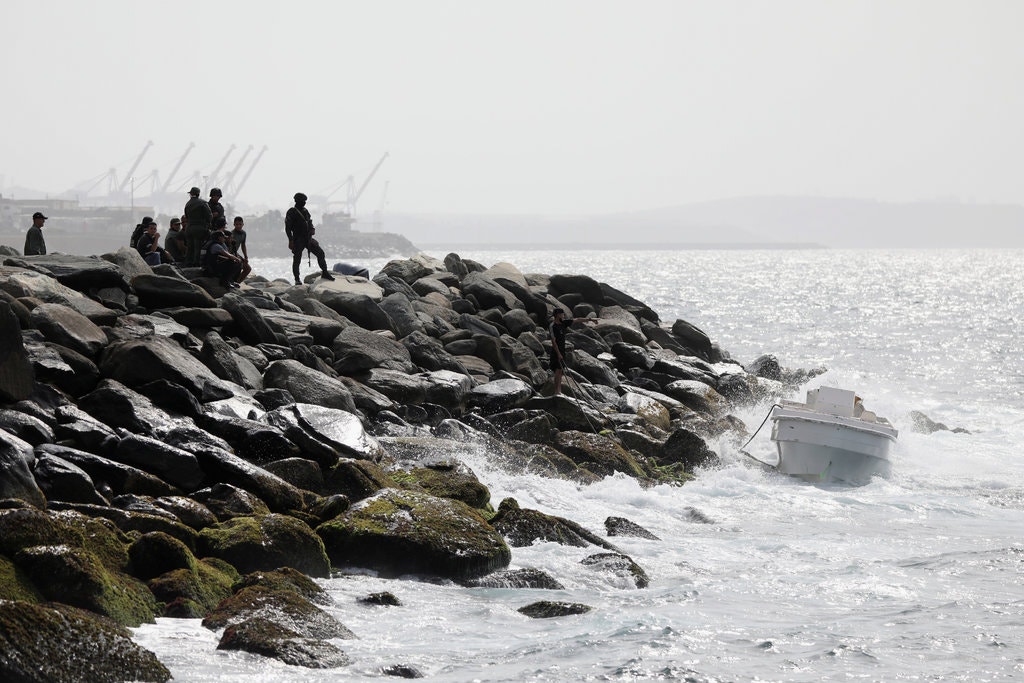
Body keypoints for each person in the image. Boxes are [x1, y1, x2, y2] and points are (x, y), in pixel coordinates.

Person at [284, 192, 334, 285]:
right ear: (297, 201)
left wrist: (312, 228)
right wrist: (290, 240)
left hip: (308, 239)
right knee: (297, 259)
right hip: (298, 239)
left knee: (320, 253)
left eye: (305, 201)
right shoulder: (292, 212)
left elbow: (309, 222)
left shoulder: (305, 211)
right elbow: (287, 228)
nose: (304, 203)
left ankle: (325, 273)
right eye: (302, 201)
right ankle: (297, 279)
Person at [548, 308, 595, 395]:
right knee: (558, 371)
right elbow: (553, 341)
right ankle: (557, 391)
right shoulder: (552, 326)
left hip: (562, 350)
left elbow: (577, 320)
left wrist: (590, 319)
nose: (563, 315)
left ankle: (559, 390)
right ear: (558, 314)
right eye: (562, 313)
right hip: (556, 351)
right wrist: (558, 354)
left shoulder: (563, 323)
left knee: (561, 370)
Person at [184, 186, 212, 267]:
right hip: (199, 228)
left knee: (190, 247)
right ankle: (196, 264)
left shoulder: (187, 204)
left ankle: (188, 263)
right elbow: (209, 216)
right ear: (198, 194)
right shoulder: (203, 203)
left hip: (189, 228)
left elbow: (186, 216)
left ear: (191, 194)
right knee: (198, 247)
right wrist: (208, 224)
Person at [229, 216, 252, 282]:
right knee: (237, 266)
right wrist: (236, 256)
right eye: (237, 224)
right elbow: (229, 248)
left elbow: (243, 245)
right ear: (234, 225)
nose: (238, 226)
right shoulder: (231, 234)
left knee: (248, 269)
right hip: (231, 254)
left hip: (236, 253)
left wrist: (246, 257)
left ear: (243, 224)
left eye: (240, 224)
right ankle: (232, 281)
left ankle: (237, 282)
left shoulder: (243, 233)